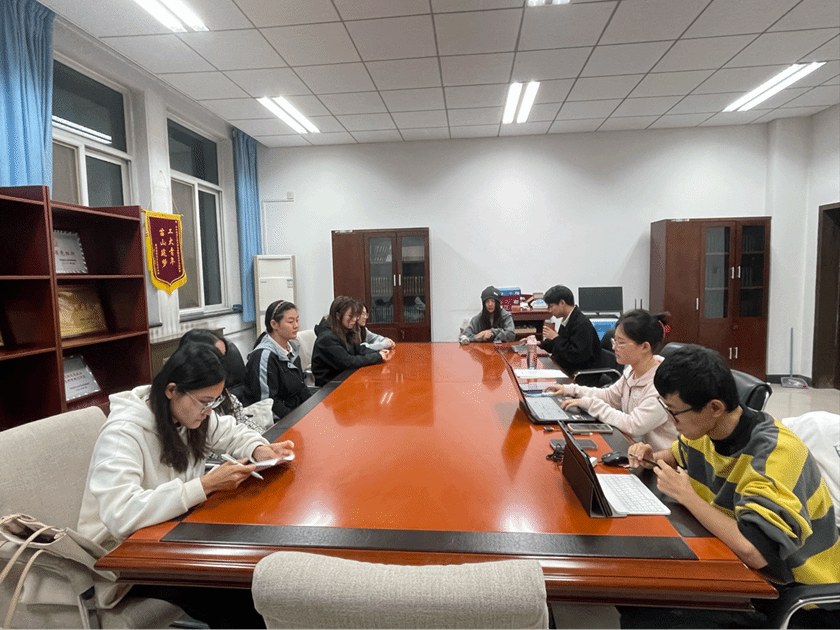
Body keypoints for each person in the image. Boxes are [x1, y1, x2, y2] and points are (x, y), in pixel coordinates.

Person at [77, 343, 294, 629]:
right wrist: (203, 485)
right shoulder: (123, 434)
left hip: (171, 534)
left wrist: (258, 448)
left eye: (214, 401)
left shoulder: (190, 414)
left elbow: (230, 432)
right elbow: (121, 514)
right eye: (205, 402)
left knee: (248, 587)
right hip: (122, 557)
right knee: (232, 599)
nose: (209, 411)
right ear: (172, 391)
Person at [623, 344, 840, 630]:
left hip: (795, 597)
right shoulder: (706, 430)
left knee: (650, 614)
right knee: (638, 594)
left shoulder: (775, 454)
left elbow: (755, 551)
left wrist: (688, 496)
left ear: (714, 407)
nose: (672, 423)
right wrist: (651, 456)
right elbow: (677, 454)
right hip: (736, 565)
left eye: (675, 413)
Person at [544, 309, 677, 450]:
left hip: (656, 458)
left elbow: (633, 425)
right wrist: (570, 390)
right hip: (632, 447)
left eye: (621, 343)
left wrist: (590, 404)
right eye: (615, 340)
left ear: (644, 347)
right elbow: (609, 396)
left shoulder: (661, 385)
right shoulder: (632, 371)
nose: (614, 347)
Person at [178, 329, 262, 432]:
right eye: (215, 356)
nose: (221, 363)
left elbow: (242, 420)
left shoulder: (223, 392)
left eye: (223, 356)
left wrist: (263, 438)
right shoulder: (189, 407)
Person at [243, 300, 311, 420]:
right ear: (274, 324)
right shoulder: (263, 357)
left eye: (297, 320)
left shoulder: (291, 348)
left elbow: (301, 387)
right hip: (278, 421)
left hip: (295, 412)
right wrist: (296, 420)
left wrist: (313, 408)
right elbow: (267, 404)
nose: (296, 326)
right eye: (290, 321)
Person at [311, 296, 392, 386]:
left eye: (356, 316)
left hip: (346, 378)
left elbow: (359, 349)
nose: (354, 319)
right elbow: (348, 361)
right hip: (330, 385)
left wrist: (379, 353)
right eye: (350, 316)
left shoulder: (344, 331)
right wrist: (377, 357)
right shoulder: (327, 338)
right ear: (338, 316)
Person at [539, 285, 601, 376]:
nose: (549, 310)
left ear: (562, 303)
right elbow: (559, 346)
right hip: (566, 367)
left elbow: (576, 356)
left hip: (580, 374)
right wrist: (538, 344)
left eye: (551, 306)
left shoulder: (581, 324)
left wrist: (556, 338)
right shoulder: (568, 319)